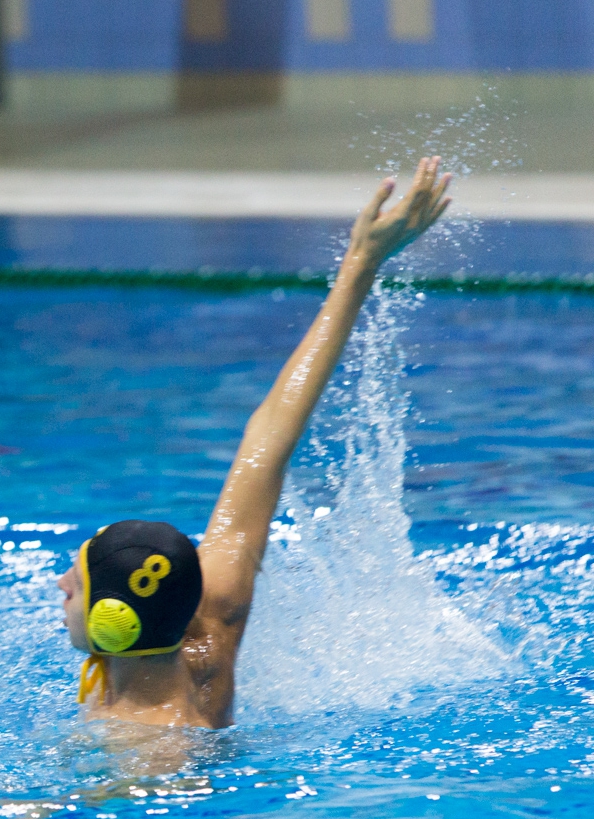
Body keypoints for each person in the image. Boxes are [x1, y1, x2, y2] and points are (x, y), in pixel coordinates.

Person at [58, 157, 454, 729]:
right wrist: (361, 260)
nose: (60, 584)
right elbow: (270, 434)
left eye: (75, 587)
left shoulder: (149, 742)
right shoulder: (210, 613)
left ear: (112, 624)